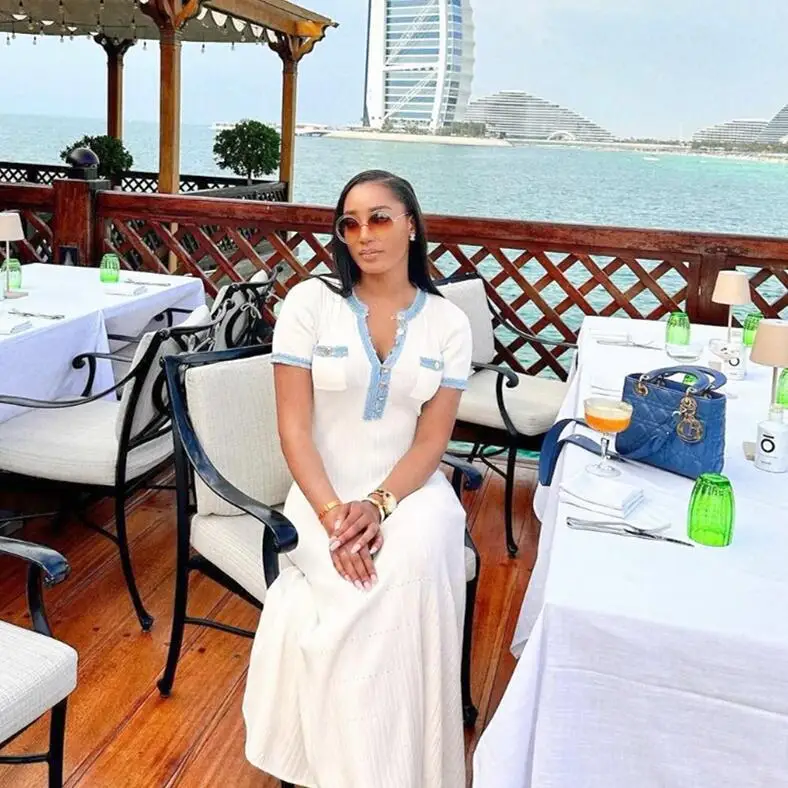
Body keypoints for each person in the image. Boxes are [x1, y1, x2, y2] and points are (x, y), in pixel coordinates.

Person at [242, 169, 473, 788]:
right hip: (321, 491)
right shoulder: (310, 304)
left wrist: (379, 503)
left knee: (412, 568)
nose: (363, 234)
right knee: (361, 594)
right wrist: (332, 516)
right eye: (350, 224)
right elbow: (294, 430)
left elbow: (431, 441)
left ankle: (410, 767)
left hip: (410, 491)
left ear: (411, 225)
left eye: (379, 218)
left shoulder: (448, 323)